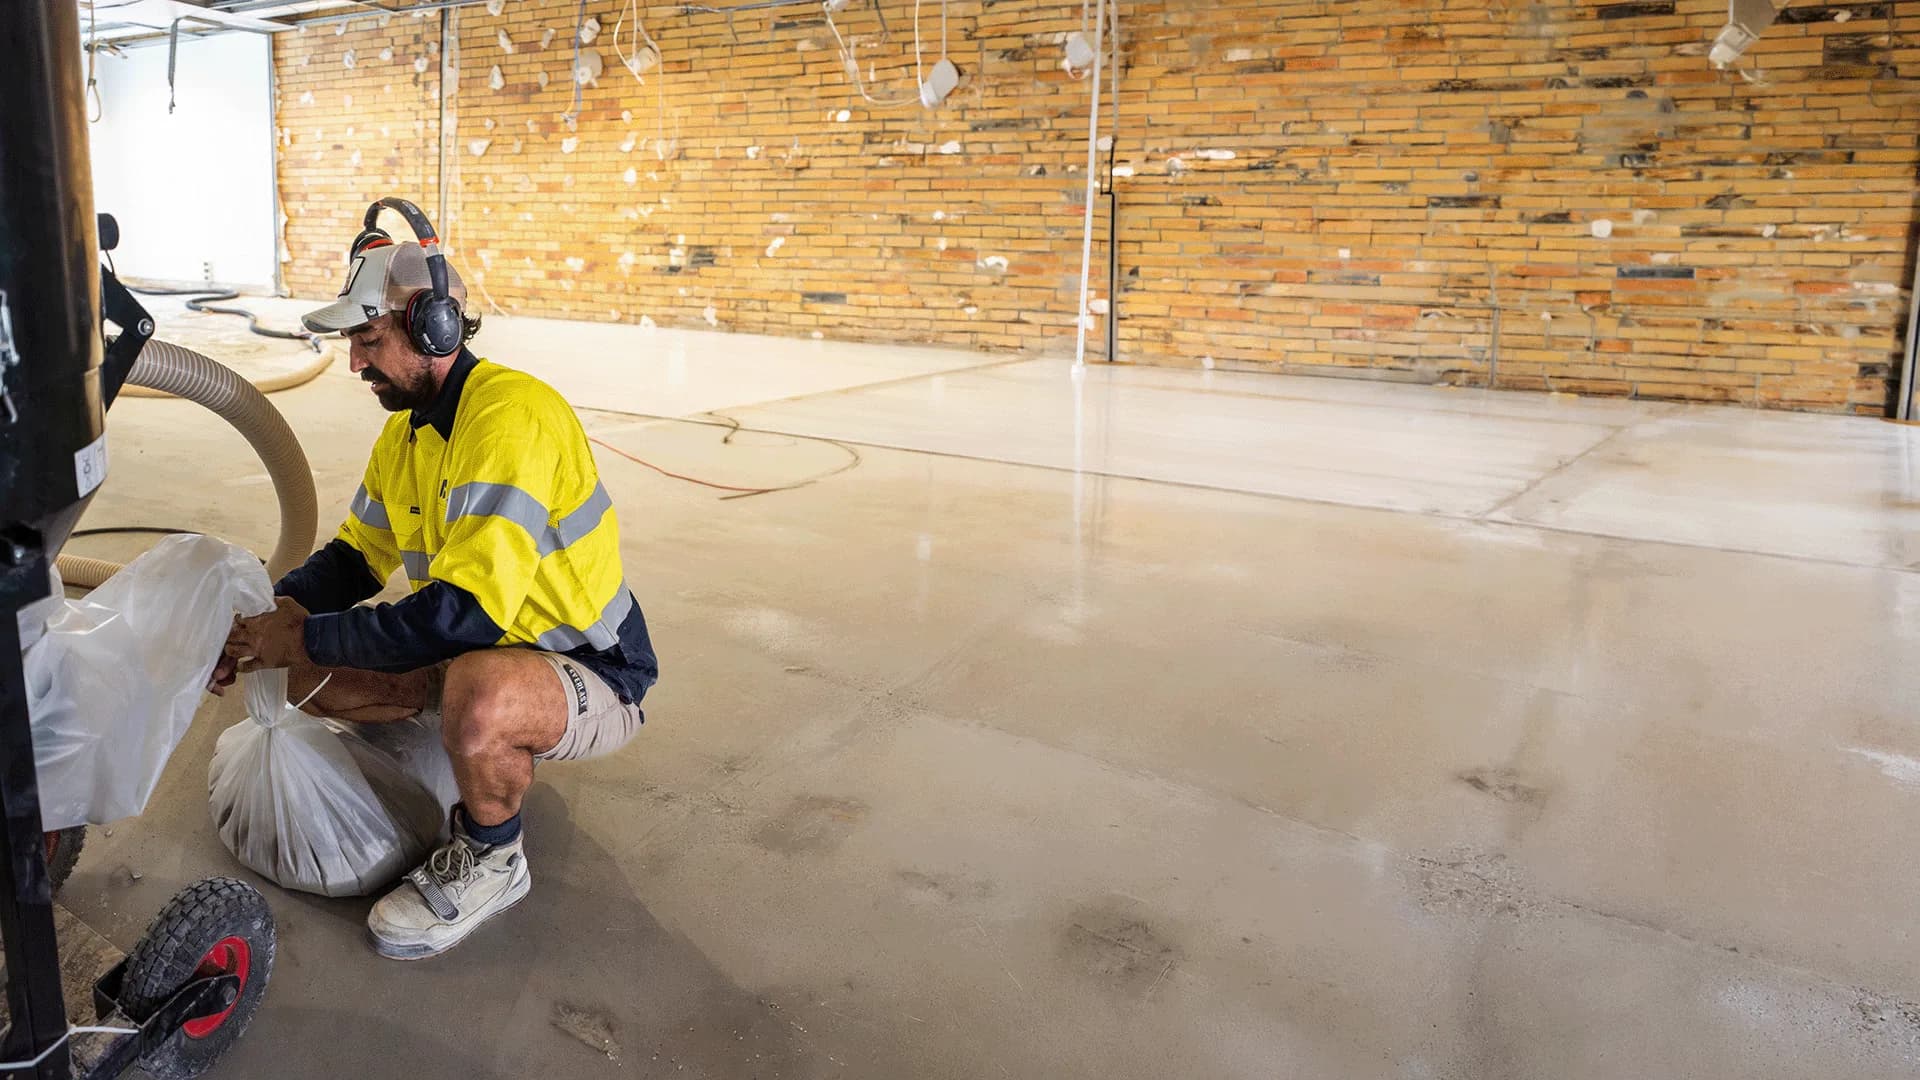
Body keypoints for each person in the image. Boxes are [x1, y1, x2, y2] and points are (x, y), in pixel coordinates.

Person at [214, 223, 658, 960]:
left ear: (434, 324)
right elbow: (356, 559)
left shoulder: (511, 420)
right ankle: (457, 746)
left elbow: (466, 613)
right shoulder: (409, 434)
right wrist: (267, 620)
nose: (354, 361)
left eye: (369, 338)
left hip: (590, 669)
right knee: (298, 670)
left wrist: (305, 632)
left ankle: (493, 854)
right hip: (480, 647)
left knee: (479, 693)